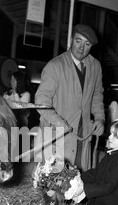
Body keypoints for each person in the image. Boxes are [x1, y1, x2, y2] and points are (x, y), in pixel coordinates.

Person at [34, 24, 105, 172]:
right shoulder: (55, 66)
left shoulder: (95, 66)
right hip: (56, 135)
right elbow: (41, 100)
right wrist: (57, 121)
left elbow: (97, 94)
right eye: (78, 41)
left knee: (77, 181)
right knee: (53, 183)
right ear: (71, 40)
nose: (81, 47)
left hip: (82, 135)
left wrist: (99, 117)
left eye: (87, 44)